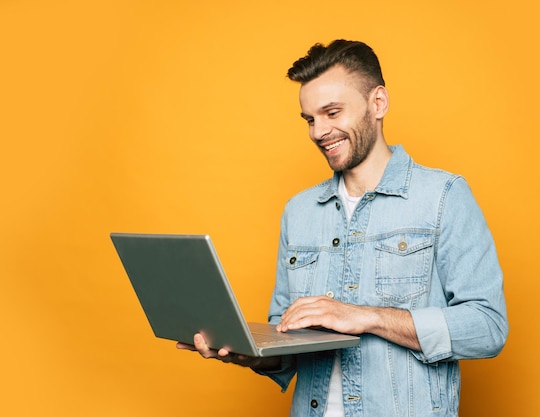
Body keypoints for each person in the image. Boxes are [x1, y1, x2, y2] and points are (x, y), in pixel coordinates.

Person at [177, 39, 508, 417]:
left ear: (377, 103)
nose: (319, 132)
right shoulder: (299, 212)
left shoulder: (443, 196)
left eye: (332, 112)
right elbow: (287, 344)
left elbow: (487, 326)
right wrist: (250, 353)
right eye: (310, 119)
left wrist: (365, 316)